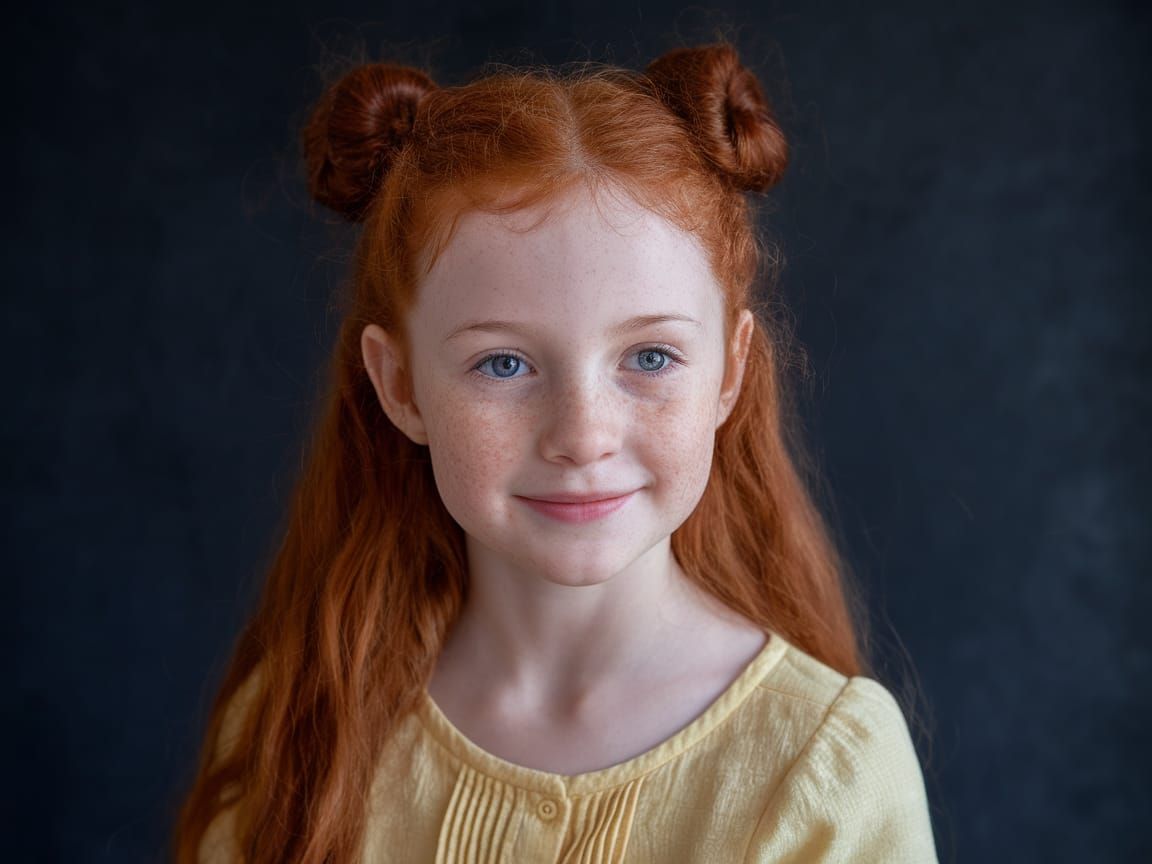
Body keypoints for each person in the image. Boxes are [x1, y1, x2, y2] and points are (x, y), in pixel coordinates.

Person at [174, 43, 939, 864]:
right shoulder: (293, 725)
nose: (581, 435)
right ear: (399, 387)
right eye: (502, 363)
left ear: (730, 374)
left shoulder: (823, 765)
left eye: (649, 357)